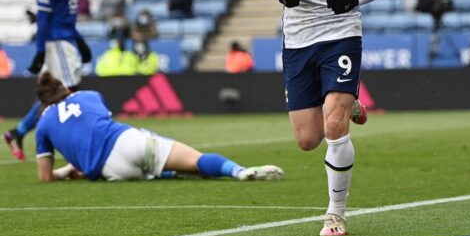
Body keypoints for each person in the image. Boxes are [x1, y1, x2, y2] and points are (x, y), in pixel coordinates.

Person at [261, 0, 383, 236]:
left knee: (333, 127)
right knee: (307, 140)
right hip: (297, 37)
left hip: (341, 33)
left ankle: (336, 213)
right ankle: (346, 101)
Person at [34, 72, 284, 182]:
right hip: (125, 142)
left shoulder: (43, 122)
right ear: (64, 88)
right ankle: (237, 171)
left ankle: (167, 172)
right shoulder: (89, 95)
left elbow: (45, 177)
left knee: (159, 171)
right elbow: (95, 129)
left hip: (110, 172)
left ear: (43, 101)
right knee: (195, 160)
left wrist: (66, 171)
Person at [4, 0, 92, 161]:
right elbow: (44, 20)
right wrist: (41, 50)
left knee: (61, 94)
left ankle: (19, 132)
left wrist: (81, 43)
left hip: (67, 40)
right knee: (68, 92)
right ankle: (70, 144)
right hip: (58, 44)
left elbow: (66, 20)